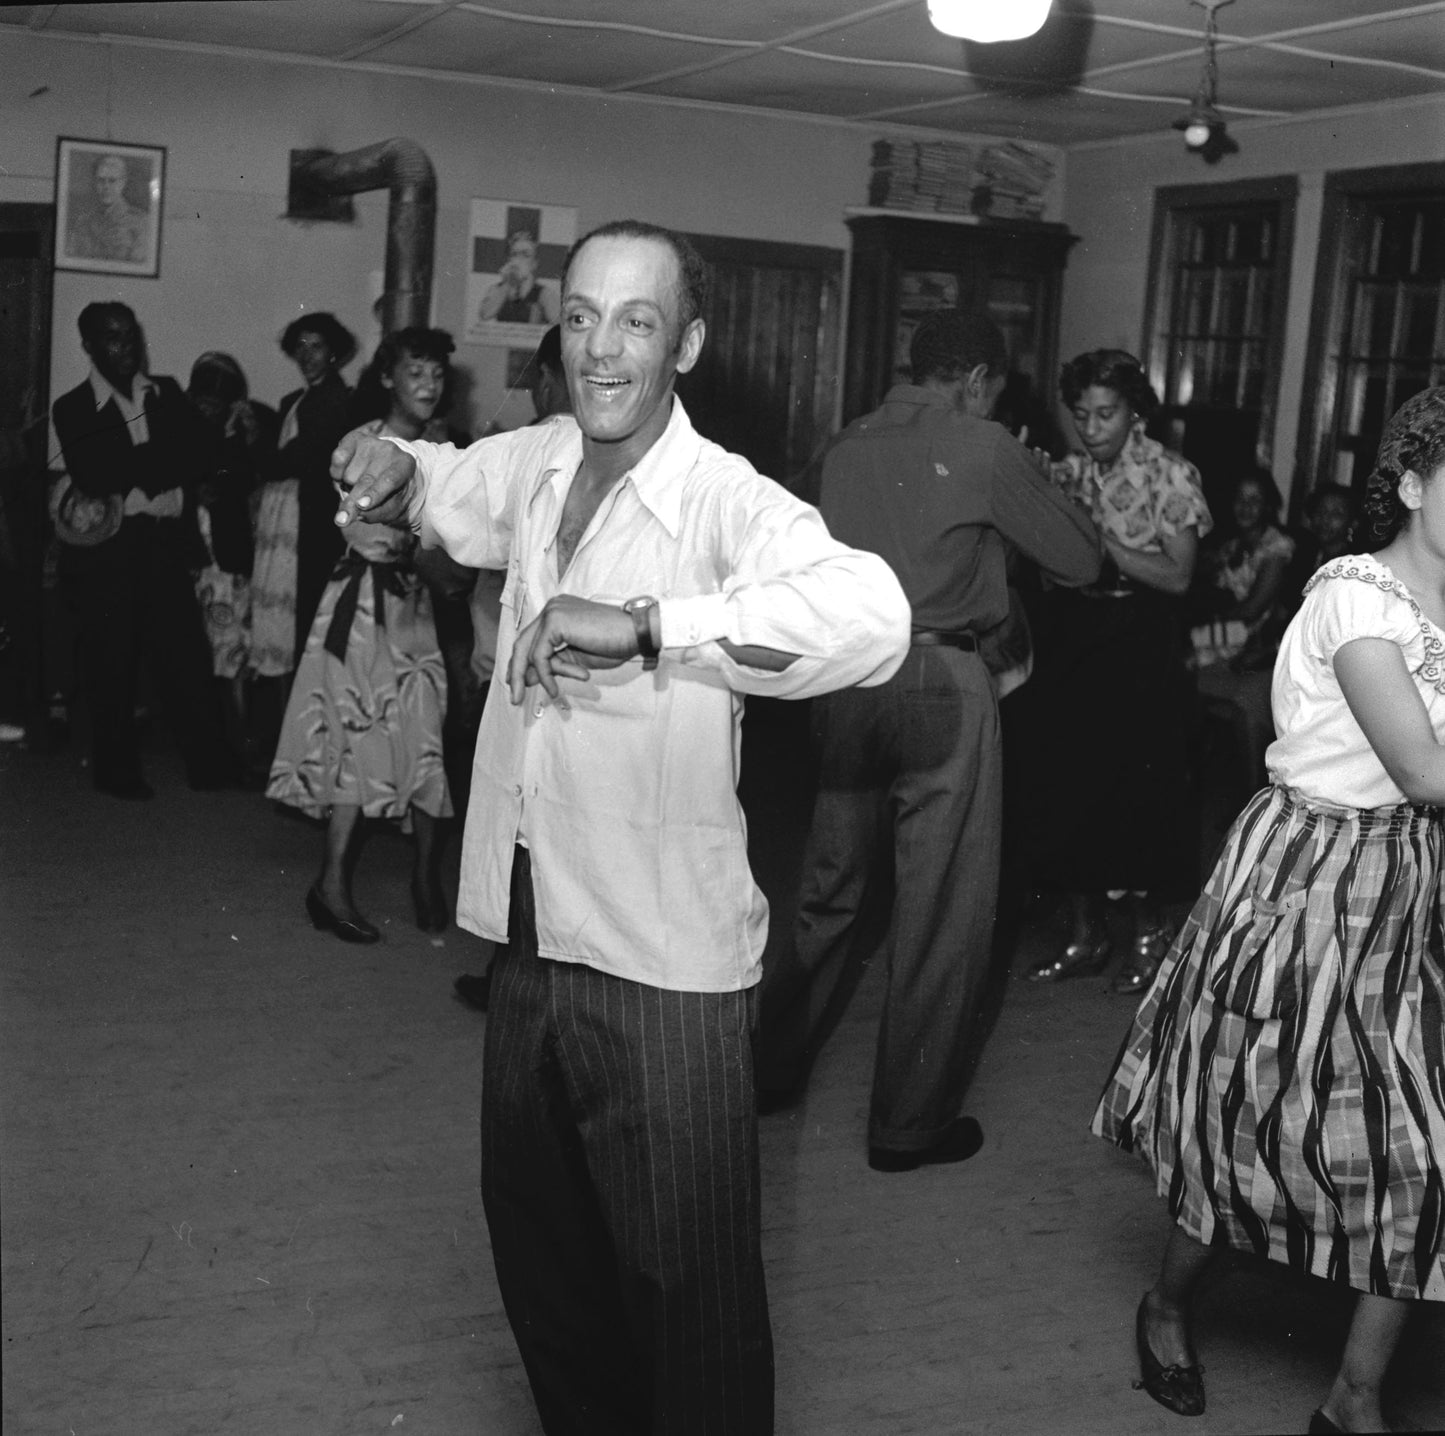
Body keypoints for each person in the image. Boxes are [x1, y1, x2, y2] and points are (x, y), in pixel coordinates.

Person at [331, 218, 910, 1434]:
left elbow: (872, 615)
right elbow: (441, 482)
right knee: (544, 1259)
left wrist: (652, 625)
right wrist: (381, 455)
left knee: (688, 1296)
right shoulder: (541, 456)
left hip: (664, 969)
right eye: (583, 315)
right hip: (533, 933)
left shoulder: (720, 498)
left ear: (684, 343)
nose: (601, 348)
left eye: (636, 321)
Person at [1094, 385, 1445, 1434]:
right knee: (1244, 1126)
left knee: (1422, 1155)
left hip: (1408, 882)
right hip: (1306, 876)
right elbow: (1422, 769)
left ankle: (1352, 1396)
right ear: (1415, 484)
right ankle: (1163, 1304)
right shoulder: (1354, 596)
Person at [755, 309, 1101, 1168]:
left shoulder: (843, 443)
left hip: (842, 678)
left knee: (828, 893)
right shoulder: (982, 443)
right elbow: (1081, 562)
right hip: (943, 680)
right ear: (979, 379)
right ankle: (907, 1126)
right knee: (941, 905)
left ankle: (764, 1072)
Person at [1023, 349, 1212, 994]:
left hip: (1140, 641)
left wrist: (1097, 540)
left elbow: (1178, 574)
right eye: (1081, 415)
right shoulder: (1067, 473)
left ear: (1135, 414)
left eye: (1106, 414)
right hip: (1077, 635)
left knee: (1136, 791)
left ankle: (1147, 938)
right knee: (1069, 784)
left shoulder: (1170, 474)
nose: (1092, 427)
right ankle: (1085, 933)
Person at [268, 328, 455, 942]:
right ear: (387, 379)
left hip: (417, 608)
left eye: (436, 375)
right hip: (366, 602)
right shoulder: (364, 443)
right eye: (415, 374)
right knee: (357, 736)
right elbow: (371, 527)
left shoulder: (450, 445)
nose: (428, 386)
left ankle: (427, 873)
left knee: (425, 730)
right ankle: (331, 886)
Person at [50, 302, 232, 798]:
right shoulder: (70, 407)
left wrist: (134, 465)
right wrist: (164, 459)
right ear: (89, 346)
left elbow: (202, 454)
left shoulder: (167, 391)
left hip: (166, 543)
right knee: (112, 660)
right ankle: (115, 772)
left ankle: (211, 766)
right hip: (111, 548)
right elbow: (93, 475)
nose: (127, 347)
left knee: (185, 656)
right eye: (113, 338)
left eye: (132, 336)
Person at [453, 323, 572, 1013]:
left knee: (518, 829)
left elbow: (466, 555)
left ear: (551, 379)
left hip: (511, 667)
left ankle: (517, 977)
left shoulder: (526, 452)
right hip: (558, 670)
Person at [249, 312, 355, 709]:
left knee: (303, 617)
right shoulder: (294, 401)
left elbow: (288, 461)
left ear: (334, 353)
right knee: (284, 617)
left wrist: (258, 443)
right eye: (302, 347)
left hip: (307, 522)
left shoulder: (334, 399)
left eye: (318, 347)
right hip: (282, 516)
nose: (308, 356)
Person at [186, 351, 277, 775]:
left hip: (234, 553)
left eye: (216, 400)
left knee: (237, 651)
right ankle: (224, 738)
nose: (209, 406)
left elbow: (249, 476)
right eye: (203, 398)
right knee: (212, 650)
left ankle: (241, 738)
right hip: (199, 555)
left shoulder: (245, 425)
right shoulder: (184, 424)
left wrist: (237, 434)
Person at [1191, 466, 1296, 794]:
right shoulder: (1231, 544)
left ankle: (1247, 794)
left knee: (1183, 667)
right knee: (1175, 671)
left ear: (1268, 505)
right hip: (1229, 636)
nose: (1246, 507)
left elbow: (1253, 609)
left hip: (1258, 642)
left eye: (1255, 500)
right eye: (1240, 499)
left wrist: (1207, 625)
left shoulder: (1276, 547)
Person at [66, 153, 145, 263]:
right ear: (95, 182)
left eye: (112, 181)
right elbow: (71, 260)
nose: (106, 187)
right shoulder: (83, 223)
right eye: (101, 180)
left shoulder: (140, 222)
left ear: (123, 183)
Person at [476, 230, 559, 326]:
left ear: (534, 264)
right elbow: (485, 315)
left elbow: (560, 324)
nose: (518, 260)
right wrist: (508, 283)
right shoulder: (497, 289)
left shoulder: (544, 293)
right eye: (514, 254)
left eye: (525, 255)